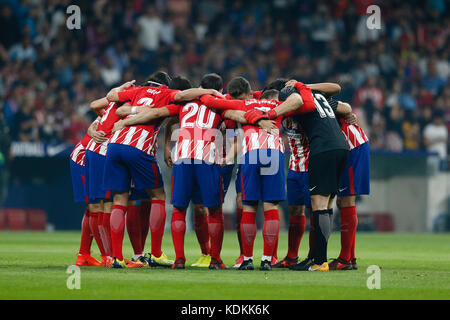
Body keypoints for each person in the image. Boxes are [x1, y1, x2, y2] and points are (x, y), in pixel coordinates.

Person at [106, 71, 221, 268]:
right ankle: (157, 253)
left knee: (119, 200)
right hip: (138, 146)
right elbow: (181, 97)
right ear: (166, 86)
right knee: (158, 196)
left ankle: (116, 257)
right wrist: (209, 91)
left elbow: (112, 101)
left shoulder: (137, 90)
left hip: (114, 144)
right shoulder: (167, 94)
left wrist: (124, 88)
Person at [199, 77, 316, 271]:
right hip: (273, 153)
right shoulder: (278, 104)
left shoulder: (243, 104)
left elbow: (211, 102)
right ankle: (267, 259)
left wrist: (221, 103)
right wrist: (275, 110)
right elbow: (303, 101)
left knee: (249, 208)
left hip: (250, 154)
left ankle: (246, 259)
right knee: (271, 207)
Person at [271, 81, 352, 272]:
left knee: (319, 206)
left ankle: (320, 261)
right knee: (328, 204)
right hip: (342, 148)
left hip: (322, 150)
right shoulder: (319, 97)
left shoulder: (299, 100)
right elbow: (342, 101)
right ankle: (316, 257)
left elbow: (294, 102)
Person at [330, 110, 370, 270]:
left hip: (352, 147)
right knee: (342, 201)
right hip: (348, 146)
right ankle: (350, 258)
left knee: (347, 200)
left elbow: (344, 106)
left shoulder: (317, 102)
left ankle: (345, 259)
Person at [71, 119, 108, 267]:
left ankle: (84, 254)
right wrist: (92, 131)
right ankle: (106, 256)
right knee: (95, 206)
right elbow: (96, 108)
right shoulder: (118, 107)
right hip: (84, 157)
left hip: (90, 156)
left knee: (92, 207)